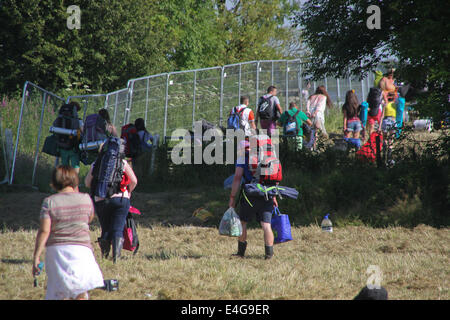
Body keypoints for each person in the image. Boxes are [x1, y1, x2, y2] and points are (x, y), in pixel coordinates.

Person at [32, 165, 104, 300]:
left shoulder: (49, 202)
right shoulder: (86, 199)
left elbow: (44, 231)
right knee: (81, 292)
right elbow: (89, 218)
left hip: (57, 252)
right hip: (81, 250)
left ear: (53, 183)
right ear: (75, 180)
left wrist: (36, 256)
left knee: (59, 292)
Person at [84, 140, 138, 263]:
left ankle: (105, 256)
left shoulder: (96, 163)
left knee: (105, 228)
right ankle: (116, 259)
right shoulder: (122, 162)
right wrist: (128, 192)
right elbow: (134, 180)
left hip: (101, 200)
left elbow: (87, 183)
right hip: (121, 199)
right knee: (118, 229)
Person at [228, 140, 277, 260]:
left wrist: (232, 198)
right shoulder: (266, 157)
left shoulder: (242, 158)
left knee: (243, 223)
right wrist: (274, 197)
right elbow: (273, 178)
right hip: (267, 194)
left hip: (250, 194)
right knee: (266, 225)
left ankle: (240, 253)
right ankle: (269, 254)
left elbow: (237, 177)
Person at [55, 101, 82, 174]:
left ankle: (64, 182)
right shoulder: (77, 121)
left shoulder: (60, 119)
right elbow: (80, 133)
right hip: (73, 147)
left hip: (62, 145)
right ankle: (74, 182)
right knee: (75, 166)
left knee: (64, 167)